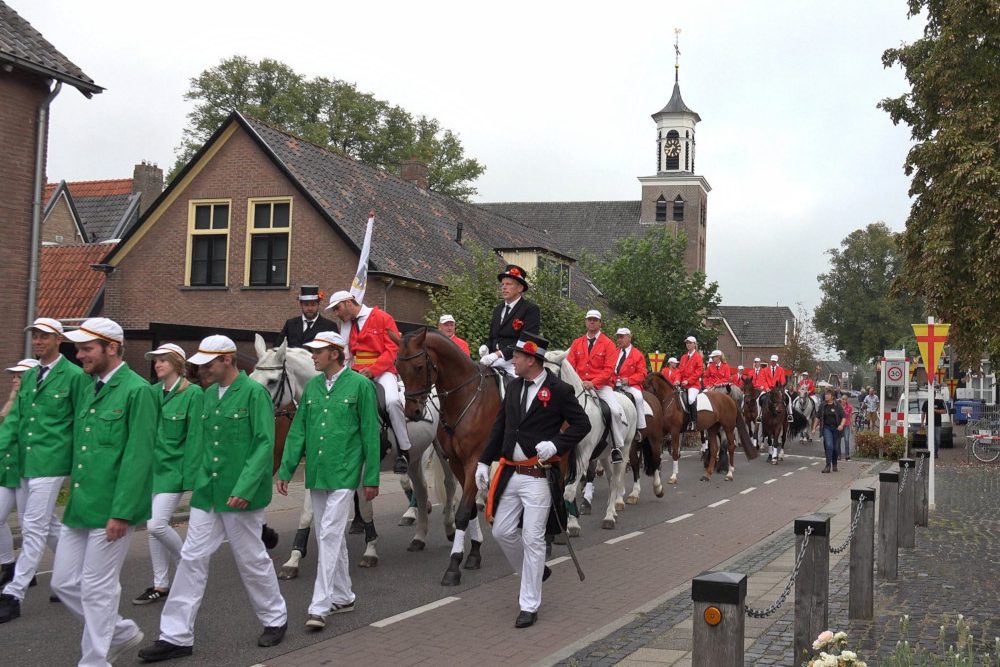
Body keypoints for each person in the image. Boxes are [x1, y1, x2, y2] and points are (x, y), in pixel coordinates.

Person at [139, 335, 287, 662]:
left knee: (250, 559)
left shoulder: (254, 393)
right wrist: (196, 483)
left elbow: (264, 444)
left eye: (209, 363)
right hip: (209, 492)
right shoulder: (206, 396)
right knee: (192, 558)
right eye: (201, 363)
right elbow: (202, 444)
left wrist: (244, 488)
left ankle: (275, 618)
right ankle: (176, 635)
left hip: (240, 495)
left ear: (228, 360)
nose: (202, 368)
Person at [49, 317, 155, 665]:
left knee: (98, 588)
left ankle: (94, 660)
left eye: (86, 348)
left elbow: (138, 457)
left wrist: (122, 512)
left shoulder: (137, 390)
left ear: (112, 348)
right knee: (63, 582)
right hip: (81, 506)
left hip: (112, 508)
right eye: (78, 348)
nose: (79, 355)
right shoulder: (87, 385)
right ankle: (121, 631)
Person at [475, 331, 590, 628]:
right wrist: (483, 461)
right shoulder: (513, 386)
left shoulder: (559, 390)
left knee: (533, 538)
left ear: (532, 359)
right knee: (501, 531)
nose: (513, 359)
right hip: (511, 471)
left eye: (517, 355)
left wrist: (557, 444)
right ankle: (536, 571)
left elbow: (582, 423)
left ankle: (528, 604)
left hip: (538, 475)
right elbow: (501, 427)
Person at [276, 331, 380, 630]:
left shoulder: (361, 385)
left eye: (318, 351)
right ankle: (344, 595)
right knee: (326, 533)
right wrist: (286, 469)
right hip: (318, 472)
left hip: (345, 473)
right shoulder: (312, 387)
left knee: (330, 533)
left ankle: (320, 605)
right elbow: (299, 430)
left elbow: (370, 434)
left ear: (335, 353)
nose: (313, 355)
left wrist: (371, 477)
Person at [0, 318, 91, 624]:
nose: (37, 341)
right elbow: (15, 420)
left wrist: (81, 466)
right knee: (46, 524)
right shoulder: (29, 378)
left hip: (52, 463)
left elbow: (82, 421)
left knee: (33, 527)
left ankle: (13, 593)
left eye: (43, 337)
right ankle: (72, 574)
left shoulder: (75, 377)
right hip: (27, 462)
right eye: (35, 336)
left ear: (58, 340)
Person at [132, 344, 203, 606]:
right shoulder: (150, 393)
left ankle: (188, 564)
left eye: (163, 360)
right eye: (155, 360)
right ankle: (161, 584)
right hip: (152, 470)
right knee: (153, 530)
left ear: (176, 362)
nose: (157, 364)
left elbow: (196, 438)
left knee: (156, 524)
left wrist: (191, 478)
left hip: (174, 472)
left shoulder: (193, 394)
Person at [324, 290, 411, 475]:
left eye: (337, 308)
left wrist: (373, 370)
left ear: (348, 303)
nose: (336, 314)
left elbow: (393, 350)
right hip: (357, 372)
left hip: (382, 370)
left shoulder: (383, 317)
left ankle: (404, 451)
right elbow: (346, 354)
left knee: (393, 402)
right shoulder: (346, 325)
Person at [567, 310, 625, 463]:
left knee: (614, 410)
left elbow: (609, 370)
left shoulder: (608, 344)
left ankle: (616, 446)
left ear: (600, 323)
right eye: (589, 319)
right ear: (586, 322)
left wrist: (593, 383)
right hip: (579, 385)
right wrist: (577, 382)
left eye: (595, 320)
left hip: (600, 386)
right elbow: (570, 366)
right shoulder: (576, 342)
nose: (592, 322)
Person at [0, 359, 38, 587]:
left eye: (20, 375)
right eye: (13, 375)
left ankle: (28, 570)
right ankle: (8, 564)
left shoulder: (34, 406)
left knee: (29, 524)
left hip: (26, 470)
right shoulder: (11, 403)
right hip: (7, 470)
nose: (15, 379)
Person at [480, 264, 541, 377]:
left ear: (520, 288)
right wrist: (486, 347)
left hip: (515, 361)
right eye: (502, 284)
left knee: (516, 388)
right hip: (495, 359)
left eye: (508, 284)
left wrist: (499, 354)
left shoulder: (530, 309)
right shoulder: (498, 309)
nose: (504, 287)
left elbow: (527, 340)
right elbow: (493, 337)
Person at [611, 327, 648, 438]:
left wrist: (629, 380)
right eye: (618, 337)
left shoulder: (638, 354)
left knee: (638, 397)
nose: (619, 339)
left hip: (630, 385)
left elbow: (642, 374)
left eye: (622, 337)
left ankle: (639, 427)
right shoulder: (614, 352)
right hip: (613, 384)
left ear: (629, 338)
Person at [812, 389, 846, 473]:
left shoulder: (837, 405)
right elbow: (817, 417)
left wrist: (841, 425)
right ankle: (827, 466)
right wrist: (813, 428)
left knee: (835, 449)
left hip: (836, 429)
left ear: (832, 396)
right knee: (829, 446)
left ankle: (834, 464)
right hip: (826, 428)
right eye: (825, 394)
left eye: (828, 394)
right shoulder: (823, 405)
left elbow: (844, 417)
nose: (826, 396)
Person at [677, 336, 704, 431]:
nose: (688, 344)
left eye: (690, 343)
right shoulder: (683, 357)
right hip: (682, 383)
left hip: (693, 385)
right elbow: (679, 371)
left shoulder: (698, 357)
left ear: (694, 344)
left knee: (691, 399)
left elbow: (698, 372)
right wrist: (677, 380)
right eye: (687, 343)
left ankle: (693, 421)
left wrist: (688, 381)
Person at [757, 354, 793, 422]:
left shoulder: (781, 370)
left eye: (775, 361)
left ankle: (789, 414)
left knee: (789, 398)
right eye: (772, 361)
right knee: (758, 399)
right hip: (768, 389)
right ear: (771, 361)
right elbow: (763, 380)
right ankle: (759, 415)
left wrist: (780, 387)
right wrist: (767, 387)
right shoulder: (765, 370)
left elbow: (783, 380)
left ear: (776, 362)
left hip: (778, 389)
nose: (773, 362)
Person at [921, 391, 947, 458]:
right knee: (929, 439)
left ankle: (935, 452)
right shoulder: (926, 403)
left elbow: (944, 411)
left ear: (935, 395)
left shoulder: (939, 402)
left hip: (937, 424)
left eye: (933, 395)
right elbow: (923, 413)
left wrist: (935, 410)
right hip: (928, 424)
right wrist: (922, 422)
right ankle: (930, 453)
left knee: (937, 440)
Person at [839, 394, 854, 461]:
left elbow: (850, 417)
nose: (844, 401)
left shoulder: (849, 407)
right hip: (839, 425)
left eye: (845, 399)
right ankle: (838, 454)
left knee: (846, 440)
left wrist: (852, 427)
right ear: (841, 399)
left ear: (847, 400)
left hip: (847, 425)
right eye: (843, 399)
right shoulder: (838, 406)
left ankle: (847, 455)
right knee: (838, 440)